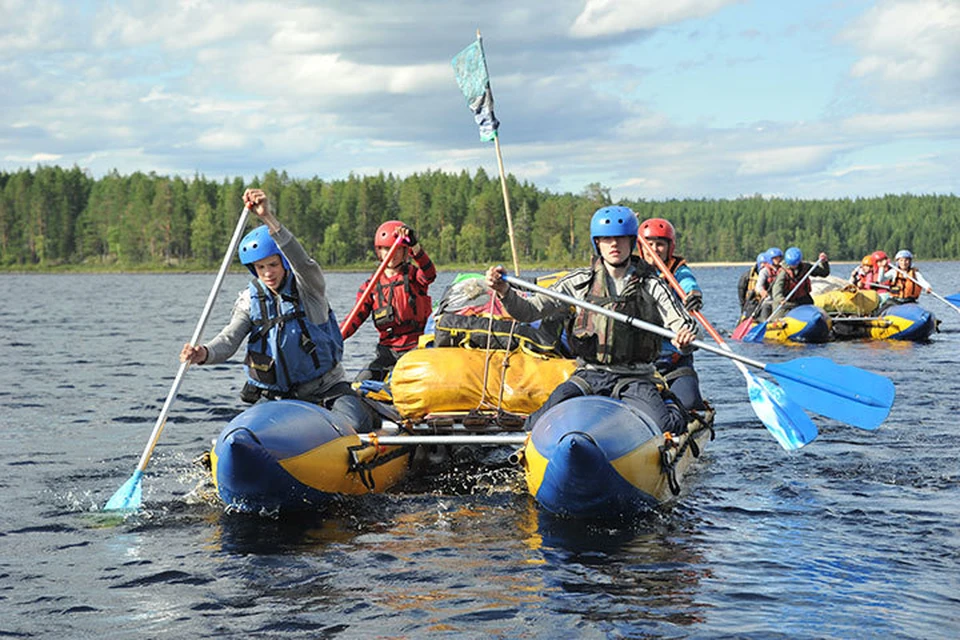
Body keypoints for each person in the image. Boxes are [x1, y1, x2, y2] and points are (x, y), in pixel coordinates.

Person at [484, 205, 699, 435]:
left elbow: (683, 325)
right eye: (606, 239)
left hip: (636, 376)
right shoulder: (579, 282)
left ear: (631, 241)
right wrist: (504, 291)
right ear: (597, 243)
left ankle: (671, 405)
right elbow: (528, 311)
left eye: (620, 239)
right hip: (590, 373)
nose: (614, 245)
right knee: (537, 421)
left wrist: (684, 338)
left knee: (667, 426)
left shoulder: (651, 284)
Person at [180, 188, 378, 432]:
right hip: (278, 397)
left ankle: (364, 411)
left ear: (283, 262)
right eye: (260, 267)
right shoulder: (250, 301)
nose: (268, 273)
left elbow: (302, 262)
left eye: (273, 264)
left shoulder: (309, 288)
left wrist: (268, 218)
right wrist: (203, 353)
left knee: (356, 425)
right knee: (246, 433)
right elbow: (229, 340)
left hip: (326, 390)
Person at [339, 220, 437, 381]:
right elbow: (353, 321)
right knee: (359, 384)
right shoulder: (370, 287)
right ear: (379, 251)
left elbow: (430, 274)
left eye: (397, 249)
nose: (391, 253)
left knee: (401, 381)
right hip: (387, 352)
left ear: (405, 252)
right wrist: (332, 339)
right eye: (386, 249)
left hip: (415, 348)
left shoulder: (414, 276)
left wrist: (415, 247)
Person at [638, 217, 705, 410]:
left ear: (670, 247)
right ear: (641, 247)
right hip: (640, 360)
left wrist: (694, 296)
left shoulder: (678, 270)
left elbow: (688, 284)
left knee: (690, 404)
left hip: (673, 358)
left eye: (660, 244)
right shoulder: (633, 271)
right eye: (649, 244)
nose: (654, 249)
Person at [771, 247, 829, 315]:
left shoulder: (805, 267)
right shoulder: (783, 272)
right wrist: (780, 299)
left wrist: (824, 262)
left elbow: (824, 273)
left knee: (811, 309)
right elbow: (777, 289)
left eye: (795, 264)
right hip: (787, 302)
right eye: (792, 265)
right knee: (779, 317)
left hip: (802, 300)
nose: (794, 266)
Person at [753, 247, 783, 321]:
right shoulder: (765, 271)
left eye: (779, 258)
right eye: (775, 258)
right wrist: (762, 291)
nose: (778, 260)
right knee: (765, 315)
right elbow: (758, 286)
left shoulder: (782, 270)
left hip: (779, 302)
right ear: (770, 259)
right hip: (768, 301)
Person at [738, 252, 769, 318]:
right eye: (761, 263)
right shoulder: (747, 276)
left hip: (765, 303)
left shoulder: (770, 275)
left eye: (765, 264)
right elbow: (741, 290)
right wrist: (743, 306)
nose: (763, 266)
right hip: (752, 303)